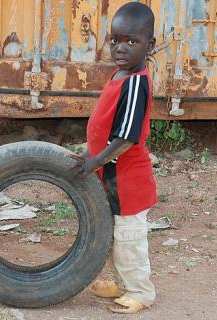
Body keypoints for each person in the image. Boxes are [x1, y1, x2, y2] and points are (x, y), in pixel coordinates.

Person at [70, 2, 158, 314]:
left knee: (129, 239)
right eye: (115, 40)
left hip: (127, 181)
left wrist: (96, 160)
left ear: (150, 46)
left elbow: (126, 137)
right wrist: (92, 156)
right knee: (112, 234)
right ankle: (121, 283)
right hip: (110, 176)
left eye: (132, 42)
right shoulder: (121, 74)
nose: (121, 48)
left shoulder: (136, 83)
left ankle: (139, 291)